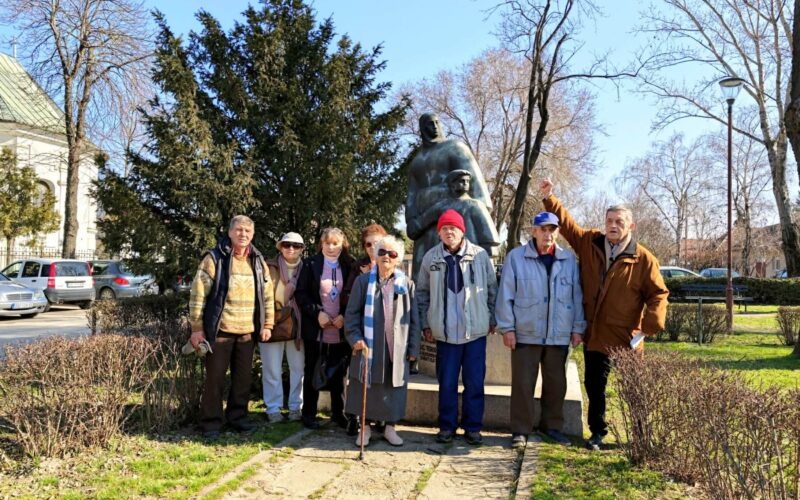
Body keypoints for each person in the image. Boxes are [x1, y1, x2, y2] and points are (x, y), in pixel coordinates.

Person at [539, 179, 669, 450]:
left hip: (627, 338)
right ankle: (597, 432)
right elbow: (568, 226)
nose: (613, 225)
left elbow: (658, 293)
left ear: (630, 226)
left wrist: (651, 323)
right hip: (596, 335)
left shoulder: (644, 259)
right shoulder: (590, 243)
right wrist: (550, 197)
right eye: (609, 220)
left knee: (634, 389)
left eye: (619, 221)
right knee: (595, 387)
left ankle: (640, 436)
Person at [495, 212, 586, 448]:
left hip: (559, 333)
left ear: (557, 232)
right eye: (542, 229)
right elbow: (505, 295)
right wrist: (507, 328)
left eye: (552, 229)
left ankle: (552, 427)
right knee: (523, 384)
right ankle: (520, 430)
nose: (547, 234)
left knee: (556, 385)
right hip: (526, 332)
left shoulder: (568, 260)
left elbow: (577, 296)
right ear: (533, 231)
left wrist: (577, 328)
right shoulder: (516, 257)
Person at [189, 215, 275, 439]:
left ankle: (238, 418)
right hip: (220, 332)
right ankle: (211, 424)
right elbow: (198, 294)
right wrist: (197, 329)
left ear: (252, 234)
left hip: (247, 333)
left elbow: (267, 296)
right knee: (214, 380)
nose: (243, 234)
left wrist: (267, 324)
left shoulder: (258, 261)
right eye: (238, 230)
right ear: (229, 232)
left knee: (242, 380)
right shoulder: (214, 258)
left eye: (247, 230)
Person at [416, 209, 498, 445]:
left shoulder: (480, 256)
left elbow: (492, 289)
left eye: (453, 228)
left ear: (462, 231)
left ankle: (473, 427)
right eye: (444, 228)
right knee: (447, 384)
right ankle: (447, 426)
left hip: (474, 334)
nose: (449, 232)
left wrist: (491, 317)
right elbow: (422, 293)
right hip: (445, 334)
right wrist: (426, 324)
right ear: (439, 233)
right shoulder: (431, 258)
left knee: (474, 383)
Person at [345, 235, 421, 447]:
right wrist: (356, 339)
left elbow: (414, 319)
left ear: (398, 259)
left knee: (393, 388)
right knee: (365, 387)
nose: (386, 256)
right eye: (382, 252)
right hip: (368, 347)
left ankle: (390, 428)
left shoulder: (407, 285)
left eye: (392, 253)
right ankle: (365, 429)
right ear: (375, 256)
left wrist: (414, 347)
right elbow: (351, 316)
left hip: (396, 347)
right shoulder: (362, 282)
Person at [405, 113, 493, 281]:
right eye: (430, 124)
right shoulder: (416, 161)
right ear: (423, 128)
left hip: (455, 220)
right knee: (424, 278)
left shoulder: (455, 148)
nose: (436, 127)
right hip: (425, 227)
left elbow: (474, 185)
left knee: (461, 275)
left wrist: (478, 215)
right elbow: (411, 195)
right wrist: (411, 220)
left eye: (438, 122)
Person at [295, 227, 355, 429]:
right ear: (321, 244)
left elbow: (355, 295)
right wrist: (317, 312)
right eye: (327, 243)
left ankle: (339, 414)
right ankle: (309, 414)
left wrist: (344, 317)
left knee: (339, 374)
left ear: (342, 244)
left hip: (340, 329)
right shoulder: (310, 264)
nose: (330, 247)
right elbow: (301, 294)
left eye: (335, 243)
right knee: (312, 370)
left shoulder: (349, 265)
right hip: (317, 329)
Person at [260, 232, 305, 423]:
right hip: (272, 322)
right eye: (287, 245)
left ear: (302, 249)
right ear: (280, 247)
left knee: (298, 369)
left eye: (296, 246)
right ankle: (273, 408)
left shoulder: (307, 268)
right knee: (271, 369)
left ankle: (296, 407)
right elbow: (261, 297)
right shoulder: (268, 267)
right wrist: (265, 323)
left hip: (298, 325)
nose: (291, 249)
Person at [407, 169, 500, 258]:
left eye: (467, 181)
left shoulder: (475, 205)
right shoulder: (442, 206)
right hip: (446, 256)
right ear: (452, 184)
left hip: (470, 256)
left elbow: (489, 239)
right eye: (462, 181)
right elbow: (418, 225)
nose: (465, 183)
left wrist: (483, 260)